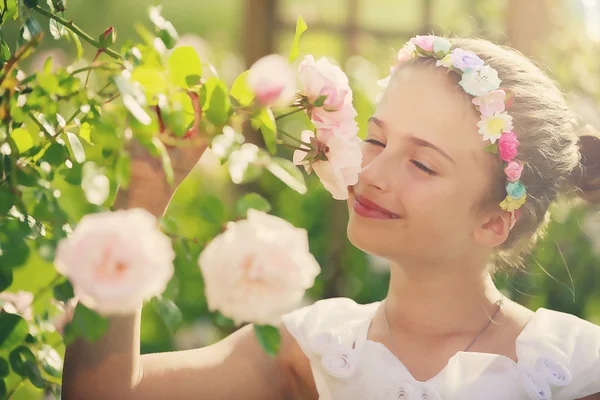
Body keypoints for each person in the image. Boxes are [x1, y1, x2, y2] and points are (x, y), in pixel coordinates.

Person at [61, 36, 600, 400]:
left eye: (421, 163)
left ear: (495, 221)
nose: (372, 173)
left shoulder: (572, 367)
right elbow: (106, 392)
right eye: (375, 139)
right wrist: (142, 203)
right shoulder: (318, 347)